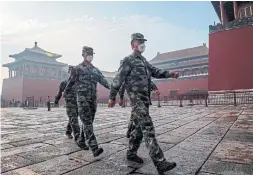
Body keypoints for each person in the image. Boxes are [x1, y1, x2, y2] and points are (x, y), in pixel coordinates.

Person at [108, 33, 179, 174]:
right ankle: (160, 162)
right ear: (132, 44)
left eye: (143, 41)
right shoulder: (128, 60)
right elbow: (118, 79)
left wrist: (169, 74)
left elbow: (155, 71)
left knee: (139, 130)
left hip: (145, 100)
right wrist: (112, 96)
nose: (142, 44)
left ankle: (131, 153)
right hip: (137, 100)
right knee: (148, 127)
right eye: (139, 41)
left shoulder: (144, 61)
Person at [63, 46, 111, 157]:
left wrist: (114, 90)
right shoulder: (77, 69)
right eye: (88, 53)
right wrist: (65, 92)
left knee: (89, 123)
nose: (90, 55)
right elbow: (70, 82)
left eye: (91, 53)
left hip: (92, 100)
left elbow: (104, 81)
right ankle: (94, 148)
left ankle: (81, 140)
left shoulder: (95, 70)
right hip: (82, 99)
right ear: (83, 54)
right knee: (87, 122)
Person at [55, 65, 88, 150]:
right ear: (69, 73)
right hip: (70, 104)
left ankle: (68, 131)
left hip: (77, 103)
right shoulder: (64, 83)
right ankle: (78, 140)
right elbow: (59, 92)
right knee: (74, 119)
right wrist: (56, 100)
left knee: (73, 118)